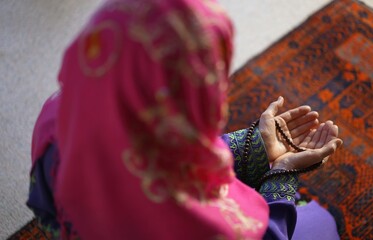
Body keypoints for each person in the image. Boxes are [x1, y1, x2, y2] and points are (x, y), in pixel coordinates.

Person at [27, 0, 343, 239]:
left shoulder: (60, 113)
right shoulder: (184, 212)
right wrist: (282, 178)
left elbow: (156, 149)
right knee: (323, 225)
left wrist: (256, 145)